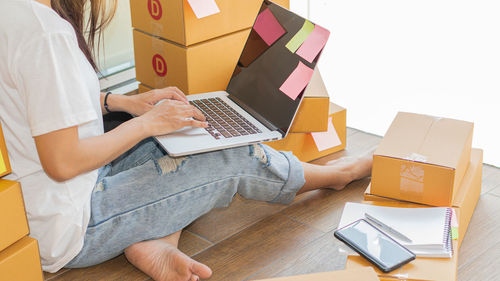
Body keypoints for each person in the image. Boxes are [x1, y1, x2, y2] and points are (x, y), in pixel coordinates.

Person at [0, 0, 372, 280]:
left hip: (67, 193)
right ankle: (338, 175)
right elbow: (62, 162)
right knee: (231, 156)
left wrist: (124, 103)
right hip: (78, 223)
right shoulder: (45, 33)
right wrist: (147, 123)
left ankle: (151, 239)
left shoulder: (16, 13)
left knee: (186, 137)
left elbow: (46, 103)